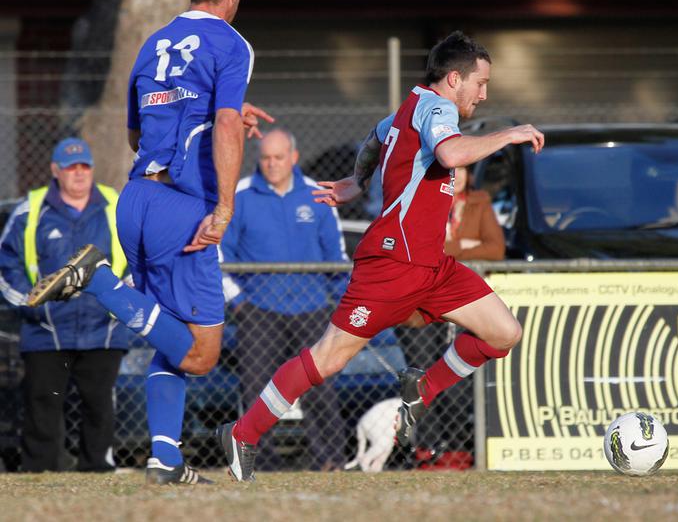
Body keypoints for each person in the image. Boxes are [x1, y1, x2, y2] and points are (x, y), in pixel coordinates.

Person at [216, 30, 544, 482]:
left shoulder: (412, 107)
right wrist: (509, 134)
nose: (484, 94)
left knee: (504, 332)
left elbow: (374, 136)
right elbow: (450, 154)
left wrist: (358, 180)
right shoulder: (435, 107)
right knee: (328, 358)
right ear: (454, 78)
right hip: (392, 264)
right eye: (480, 83)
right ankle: (243, 433)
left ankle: (419, 390)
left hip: (432, 266)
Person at [26, 0, 273, 485]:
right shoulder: (232, 44)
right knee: (204, 353)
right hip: (183, 211)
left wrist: (213, 117)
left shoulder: (153, 43)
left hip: (135, 199)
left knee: (173, 337)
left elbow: (137, 133)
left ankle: (164, 457)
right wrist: (225, 205)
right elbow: (226, 125)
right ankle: (99, 282)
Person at [221, 128, 348, 471]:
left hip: (312, 308)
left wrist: (337, 301)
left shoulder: (317, 196)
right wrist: (240, 303)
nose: (272, 164)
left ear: (293, 157)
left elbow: (336, 255)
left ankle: (331, 459)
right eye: (265, 158)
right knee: (257, 388)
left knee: (320, 388)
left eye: (279, 157)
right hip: (258, 311)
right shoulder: (240, 196)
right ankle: (258, 460)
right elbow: (220, 257)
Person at [0, 138, 128, 472]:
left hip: (103, 328)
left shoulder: (116, 205)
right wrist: (30, 305)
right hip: (46, 328)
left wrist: (123, 303)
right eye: (71, 168)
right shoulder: (31, 210)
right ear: (55, 171)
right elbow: (7, 263)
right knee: (42, 403)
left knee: (99, 403)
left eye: (84, 166)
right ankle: (39, 468)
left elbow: (138, 260)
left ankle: (97, 467)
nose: (79, 173)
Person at [395, 164, 506, 467]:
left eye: (463, 169)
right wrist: (469, 247)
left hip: (464, 302)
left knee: (456, 379)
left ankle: (457, 448)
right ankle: (426, 449)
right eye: (452, 169)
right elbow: (422, 248)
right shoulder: (424, 198)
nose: (458, 175)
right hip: (421, 306)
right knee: (421, 372)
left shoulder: (479, 203)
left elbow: (495, 249)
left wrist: (452, 248)